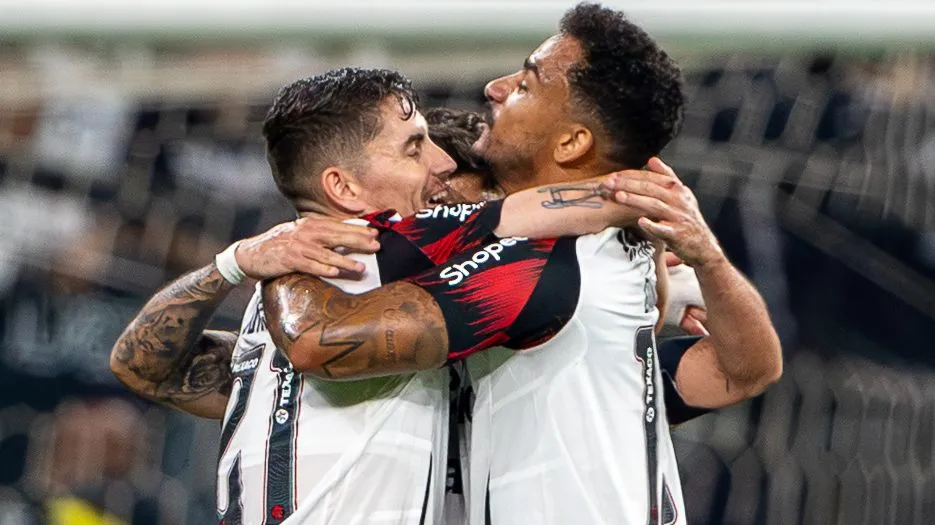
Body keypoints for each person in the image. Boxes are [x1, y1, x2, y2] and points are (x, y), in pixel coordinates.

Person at [258, 4, 781, 525]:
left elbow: (314, 339)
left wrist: (269, 255)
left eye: (527, 85)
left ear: (573, 141)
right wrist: (685, 275)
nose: (496, 86)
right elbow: (745, 371)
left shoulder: (542, 268)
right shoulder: (602, 258)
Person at [110, 67, 676, 525]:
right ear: (344, 188)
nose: (442, 162)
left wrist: (233, 266)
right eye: (414, 148)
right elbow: (144, 367)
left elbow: (144, 369)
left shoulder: (318, 285)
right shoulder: (374, 255)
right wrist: (640, 199)